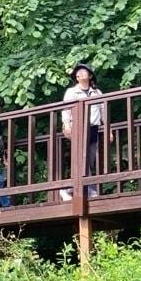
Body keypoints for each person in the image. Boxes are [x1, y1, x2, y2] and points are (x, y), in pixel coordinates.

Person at [60, 63, 104, 200]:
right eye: (79, 72)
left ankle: (69, 190)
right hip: (78, 128)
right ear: (76, 77)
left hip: (93, 128)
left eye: (84, 72)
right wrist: (66, 126)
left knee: (90, 159)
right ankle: (91, 190)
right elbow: (66, 110)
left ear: (90, 76)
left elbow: (103, 111)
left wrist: (108, 130)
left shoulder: (96, 92)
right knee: (82, 158)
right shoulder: (71, 92)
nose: (81, 74)